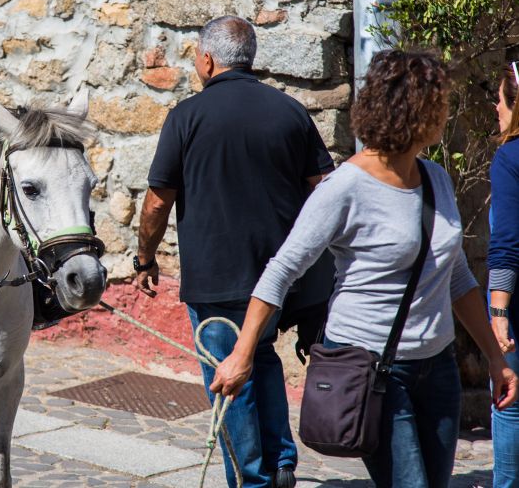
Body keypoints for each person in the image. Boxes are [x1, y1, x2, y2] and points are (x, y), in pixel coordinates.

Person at [212, 50, 519, 488]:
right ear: (417, 111)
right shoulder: (346, 187)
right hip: (372, 368)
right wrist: (242, 355)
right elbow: (281, 271)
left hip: (438, 370)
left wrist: (496, 358)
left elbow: (456, 277)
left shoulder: (436, 178)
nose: (447, 112)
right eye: (440, 103)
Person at [134, 16, 334, 488]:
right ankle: (281, 462)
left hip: (217, 278)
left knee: (229, 381)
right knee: (259, 356)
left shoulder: (186, 116)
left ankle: (252, 480)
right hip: (280, 278)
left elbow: (158, 200)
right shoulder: (290, 111)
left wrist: (145, 258)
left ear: (206, 58)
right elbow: (324, 189)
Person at [488, 61, 519, 488]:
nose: (495, 106)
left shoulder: (510, 157)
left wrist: (498, 311)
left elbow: (507, 242)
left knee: (511, 400)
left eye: (500, 99)